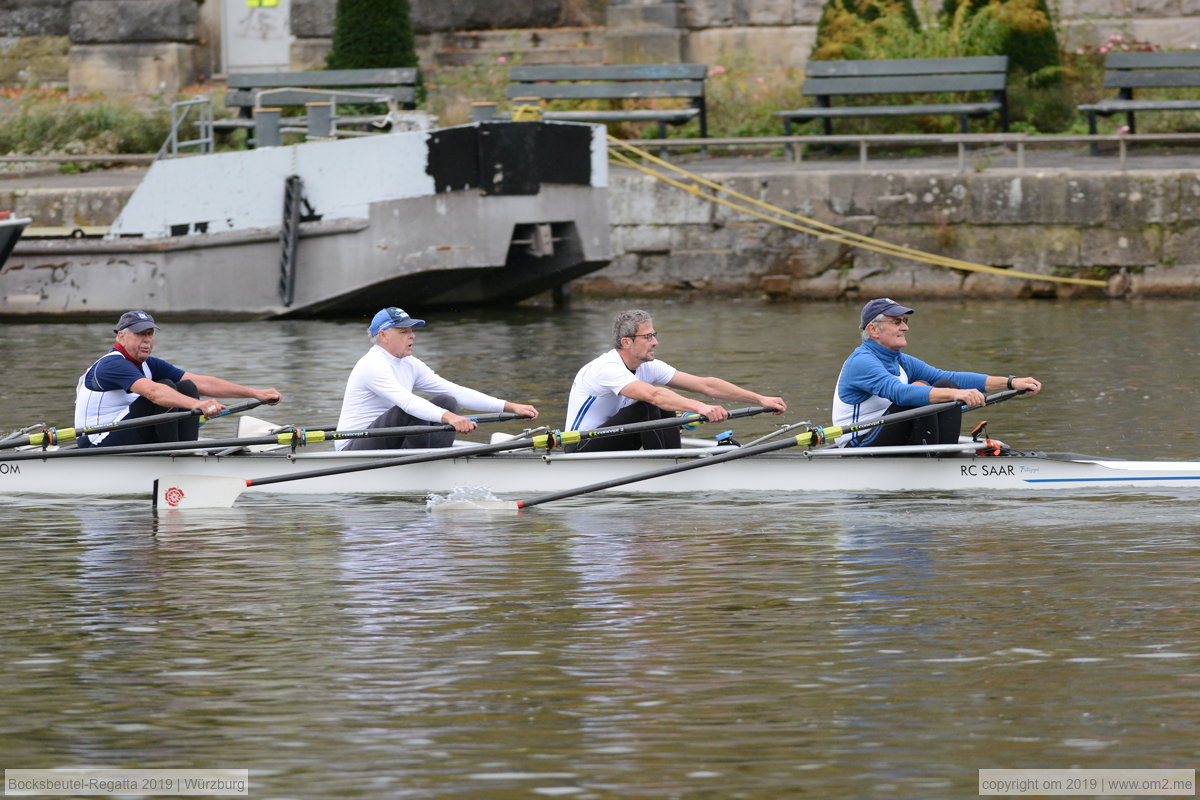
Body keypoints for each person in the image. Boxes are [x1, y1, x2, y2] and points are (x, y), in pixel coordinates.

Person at [564, 309, 788, 452]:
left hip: (613, 439)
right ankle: (667, 461)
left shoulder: (647, 366)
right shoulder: (605, 368)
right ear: (626, 342)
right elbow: (654, 395)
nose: (655, 342)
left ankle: (671, 456)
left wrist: (760, 399)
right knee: (650, 403)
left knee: (661, 405)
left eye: (655, 335)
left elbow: (705, 385)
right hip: (580, 445)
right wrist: (701, 407)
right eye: (648, 337)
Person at [832, 298, 1042, 448]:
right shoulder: (861, 361)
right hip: (859, 443)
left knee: (946, 385)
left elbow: (952, 378)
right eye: (897, 321)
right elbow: (899, 393)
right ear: (873, 330)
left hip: (887, 435)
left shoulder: (900, 361)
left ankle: (941, 457)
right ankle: (931, 459)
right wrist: (955, 396)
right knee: (921, 391)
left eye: (905, 321)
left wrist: (1011, 382)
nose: (905, 327)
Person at [335, 307, 539, 450]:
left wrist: (511, 407)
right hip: (354, 445)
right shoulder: (372, 364)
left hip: (387, 439)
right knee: (415, 409)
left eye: (412, 330)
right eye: (404, 331)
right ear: (383, 335)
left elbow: (455, 391)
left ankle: (434, 461)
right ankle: (420, 466)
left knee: (447, 400)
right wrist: (451, 418)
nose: (412, 336)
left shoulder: (410, 363)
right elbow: (408, 402)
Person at [75, 310, 282, 448]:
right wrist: (199, 405)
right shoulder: (112, 364)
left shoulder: (149, 363)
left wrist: (255, 393)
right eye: (140, 335)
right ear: (121, 336)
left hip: (123, 433)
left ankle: (184, 451)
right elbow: (153, 392)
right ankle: (174, 454)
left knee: (187, 386)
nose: (147, 340)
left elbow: (203, 383)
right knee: (164, 387)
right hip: (97, 441)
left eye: (150, 334)